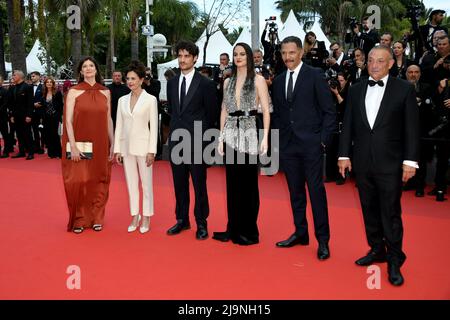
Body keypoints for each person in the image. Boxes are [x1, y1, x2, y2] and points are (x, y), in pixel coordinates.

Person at [338, 46, 420, 286]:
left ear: (391, 64)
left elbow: (412, 129)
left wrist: (410, 161)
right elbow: (348, 124)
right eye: (371, 60)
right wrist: (343, 154)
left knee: (391, 213)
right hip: (362, 162)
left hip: (391, 163)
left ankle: (395, 259)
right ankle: (377, 249)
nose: (374, 65)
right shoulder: (355, 89)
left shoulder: (404, 90)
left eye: (380, 61)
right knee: (368, 209)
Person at [271, 36, 336, 260]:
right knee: (295, 193)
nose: (287, 57)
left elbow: (329, 110)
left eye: (291, 53)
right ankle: (300, 233)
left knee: (316, 193)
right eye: (283, 53)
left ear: (300, 52)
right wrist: (279, 140)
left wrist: (323, 140)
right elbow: (279, 114)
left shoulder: (315, 75)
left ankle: (323, 240)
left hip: (311, 145)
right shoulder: (278, 81)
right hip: (289, 146)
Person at [213, 42, 270, 245]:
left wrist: (265, 137)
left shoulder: (259, 80)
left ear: (248, 57)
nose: (238, 57)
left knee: (248, 185)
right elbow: (223, 110)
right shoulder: (228, 82)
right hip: (230, 132)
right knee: (232, 183)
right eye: (235, 54)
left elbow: (266, 109)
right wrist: (220, 137)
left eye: (242, 54)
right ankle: (233, 228)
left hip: (249, 131)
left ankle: (249, 232)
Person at [166, 40, 218, 240]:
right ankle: (182, 220)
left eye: (186, 56)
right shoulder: (171, 83)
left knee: (199, 185)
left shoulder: (206, 84)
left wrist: (207, 144)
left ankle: (201, 223)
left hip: (197, 143)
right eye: (180, 56)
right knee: (179, 184)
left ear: (195, 58)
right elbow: (172, 111)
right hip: (177, 141)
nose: (182, 59)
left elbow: (211, 115)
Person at [62, 56, 114, 234]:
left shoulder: (105, 92)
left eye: (91, 65)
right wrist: (73, 145)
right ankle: (79, 219)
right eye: (85, 66)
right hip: (80, 143)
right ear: (81, 71)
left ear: (96, 70)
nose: (89, 68)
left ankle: (97, 218)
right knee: (79, 182)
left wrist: (113, 143)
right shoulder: (73, 92)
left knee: (99, 180)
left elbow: (108, 119)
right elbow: (68, 121)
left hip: (101, 142)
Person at [114, 60, 158, 234]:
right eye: (127, 79)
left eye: (133, 78)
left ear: (141, 79)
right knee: (131, 184)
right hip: (126, 148)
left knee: (146, 184)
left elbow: (154, 126)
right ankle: (135, 215)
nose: (130, 82)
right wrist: (117, 148)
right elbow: (119, 125)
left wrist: (152, 151)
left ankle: (146, 216)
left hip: (144, 147)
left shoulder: (150, 100)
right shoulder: (122, 100)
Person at [8, 70, 34, 160]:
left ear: (20, 76)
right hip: (16, 115)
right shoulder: (12, 88)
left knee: (27, 133)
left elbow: (30, 103)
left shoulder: (28, 87)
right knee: (19, 134)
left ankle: (31, 152)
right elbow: (11, 103)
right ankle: (22, 152)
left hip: (25, 115)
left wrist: (29, 115)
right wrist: (11, 115)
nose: (12, 77)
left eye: (14, 75)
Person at [41, 77, 63, 158]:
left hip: (55, 117)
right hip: (46, 117)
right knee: (48, 135)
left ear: (53, 84)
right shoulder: (43, 93)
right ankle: (51, 153)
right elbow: (43, 106)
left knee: (55, 134)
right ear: (45, 84)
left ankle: (59, 153)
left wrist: (59, 115)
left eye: (51, 82)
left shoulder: (57, 93)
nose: (49, 83)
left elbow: (61, 105)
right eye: (47, 82)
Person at [30, 71, 45, 154]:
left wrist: (40, 103)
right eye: (31, 76)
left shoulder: (43, 87)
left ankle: (43, 146)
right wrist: (32, 104)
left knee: (42, 130)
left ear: (39, 77)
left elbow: (45, 97)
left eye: (34, 76)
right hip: (32, 112)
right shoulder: (29, 87)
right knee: (35, 130)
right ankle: (37, 147)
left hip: (41, 112)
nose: (32, 78)